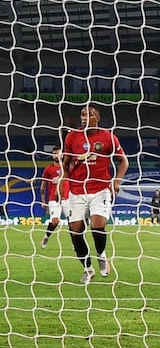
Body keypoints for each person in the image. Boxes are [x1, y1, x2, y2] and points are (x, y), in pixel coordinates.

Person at [61, 105, 128, 285]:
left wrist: (116, 181)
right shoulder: (72, 136)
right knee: (75, 231)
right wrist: (66, 184)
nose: (84, 118)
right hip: (77, 191)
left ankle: (101, 255)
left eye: (89, 115)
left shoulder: (108, 137)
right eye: (82, 114)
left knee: (97, 226)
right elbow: (65, 164)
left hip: (100, 189)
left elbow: (124, 162)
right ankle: (88, 269)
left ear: (97, 118)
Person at [39, 147, 63, 249]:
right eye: (54, 153)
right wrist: (43, 201)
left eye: (58, 153)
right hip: (53, 198)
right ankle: (46, 237)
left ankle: (75, 244)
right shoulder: (48, 169)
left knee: (74, 222)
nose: (56, 155)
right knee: (55, 221)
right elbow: (43, 186)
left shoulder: (68, 168)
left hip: (67, 197)